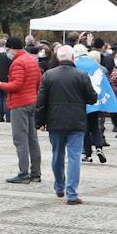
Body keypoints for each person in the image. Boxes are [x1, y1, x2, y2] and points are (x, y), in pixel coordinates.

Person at [37, 45, 98, 204]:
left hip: (55, 121)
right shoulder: (82, 75)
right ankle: (72, 194)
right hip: (76, 121)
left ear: (58, 58)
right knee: (74, 157)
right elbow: (92, 98)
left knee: (57, 154)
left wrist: (40, 122)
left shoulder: (49, 75)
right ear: (73, 58)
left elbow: (41, 101)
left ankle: (59, 186)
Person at [0, 35, 42, 183]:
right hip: (32, 102)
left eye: (8, 49)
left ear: (12, 48)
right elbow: (39, 81)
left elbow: (16, 85)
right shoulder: (32, 60)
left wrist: (0, 84)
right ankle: (35, 172)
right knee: (32, 139)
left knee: (20, 139)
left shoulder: (18, 63)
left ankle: (23, 173)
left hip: (20, 104)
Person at [74, 44, 117, 164]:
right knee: (94, 126)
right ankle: (99, 147)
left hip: (82, 100)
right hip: (96, 99)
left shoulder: (76, 64)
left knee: (85, 128)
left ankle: (87, 153)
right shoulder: (94, 65)